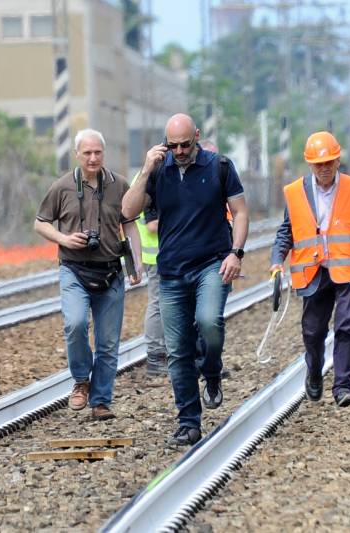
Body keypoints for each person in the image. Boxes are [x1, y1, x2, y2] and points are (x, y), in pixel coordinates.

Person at [122, 113, 249, 445]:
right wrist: (146, 170)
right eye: (173, 145)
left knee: (208, 322)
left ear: (197, 137)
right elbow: (127, 211)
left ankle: (211, 371)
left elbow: (240, 212)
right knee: (177, 351)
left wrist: (236, 253)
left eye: (185, 144)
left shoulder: (220, 166)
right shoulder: (157, 171)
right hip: (172, 272)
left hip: (212, 264)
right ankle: (189, 423)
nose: (179, 151)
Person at [270, 131, 350, 407]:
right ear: (310, 164)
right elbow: (286, 231)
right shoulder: (296, 192)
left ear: (338, 161)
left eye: (329, 162)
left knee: (347, 325)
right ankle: (314, 372)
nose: (324, 168)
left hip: (347, 270)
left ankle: (343, 387)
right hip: (313, 272)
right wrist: (277, 260)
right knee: (312, 332)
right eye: (318, 164)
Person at [35, 129, 142, 421]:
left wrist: (136, 264)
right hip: (74, 269)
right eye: (87, 153)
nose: (93, 158)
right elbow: (40, 223)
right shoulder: (62, 187)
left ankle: (101, 401)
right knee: (75, 324)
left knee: (108, 343)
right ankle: (81, 380)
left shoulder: (119, 185)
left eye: (98, 152)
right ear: (77, 155)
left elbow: (130, 224)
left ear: (103, 154)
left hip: (110, 272)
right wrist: (64, 239)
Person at [130, 173, 167, 378]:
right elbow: (152, 225)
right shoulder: (151, 177)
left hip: (163, 254)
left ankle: (163, 354)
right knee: (158, 304)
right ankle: (155, 356)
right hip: (158, 255)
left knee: (164, 304)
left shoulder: (148, 175)